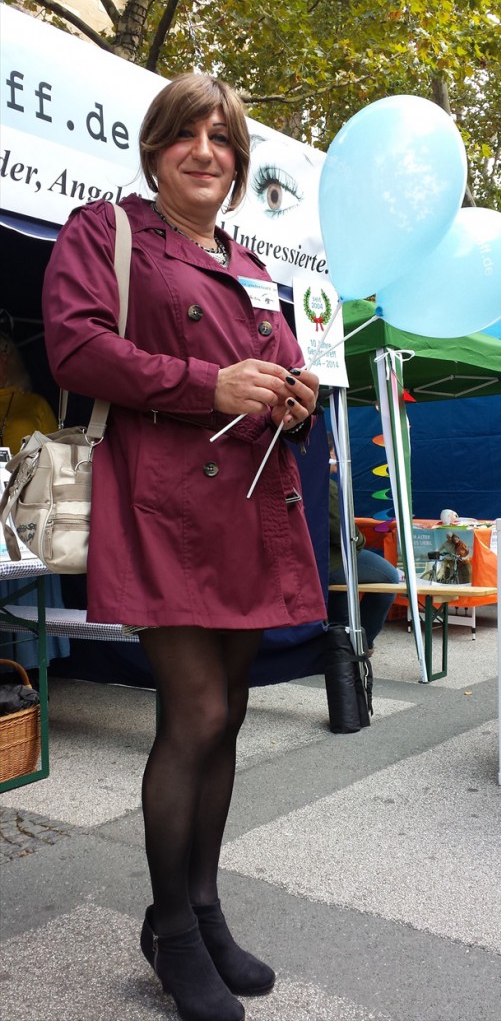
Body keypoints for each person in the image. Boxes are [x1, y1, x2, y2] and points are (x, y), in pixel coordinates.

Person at [42, 73, 326, 1021]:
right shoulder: (107, 231)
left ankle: (204, 908)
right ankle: (168, 927)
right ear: (156, 149)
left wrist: (294, 398)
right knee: (196, 713)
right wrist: (212, 385)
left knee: (231, 712)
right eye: (187, 135)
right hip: (159, 503)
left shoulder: (251, 263)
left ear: (239, 164)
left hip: (248, 509)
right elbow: (75, 349)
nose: (207, 151)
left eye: (223, 139)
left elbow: (280, 366)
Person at [327, 439, 399, 655]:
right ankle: (363, 641)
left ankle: (340, 643)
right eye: (334, 452)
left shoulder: (297, 479)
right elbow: (341, 531)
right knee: (390, 577)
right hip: (332, 560)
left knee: (343, 587)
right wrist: (359, 540)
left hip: (310, 560)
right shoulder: (326, 486)